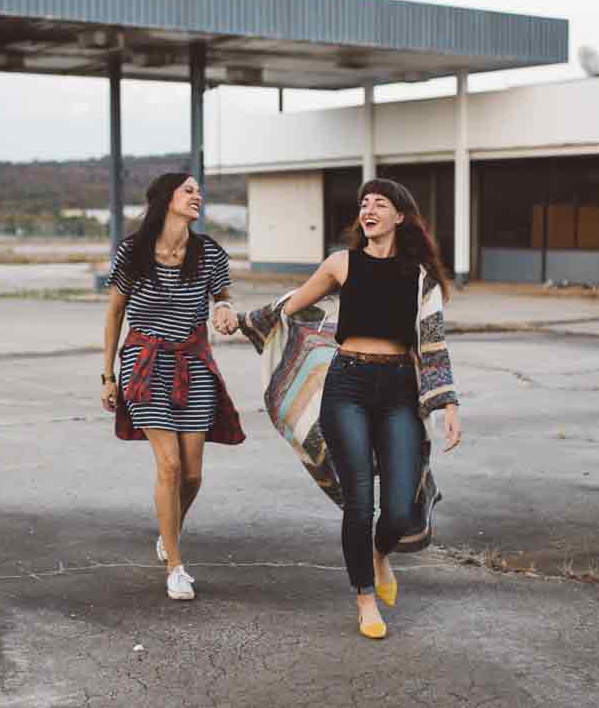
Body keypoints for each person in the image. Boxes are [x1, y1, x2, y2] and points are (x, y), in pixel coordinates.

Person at [279, 178, 462, 639]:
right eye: (364, 202)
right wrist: (245, 319)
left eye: (381, 202)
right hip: (348, 387)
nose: (370, 208)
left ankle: (381, 554)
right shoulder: (342, 263)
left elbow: (434, 345)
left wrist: (448, 405)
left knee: (398, 509)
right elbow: (291, 306)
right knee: (359, 502)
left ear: (401, 216)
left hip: (400, 389)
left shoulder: (420, 276)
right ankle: (364, 598)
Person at [101, 172, 245, 601]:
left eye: (199, 191)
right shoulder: (133, 251)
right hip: (143, 366)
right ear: (165, 198)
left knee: (193, 473)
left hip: (193, 364)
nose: (197, 195)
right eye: (188, 189)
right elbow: (113, 315)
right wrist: (108, 375)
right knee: (169, 466)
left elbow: (223, 298)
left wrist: (223, 310)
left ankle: (170, 530)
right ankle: (175, 565)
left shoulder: (209, 252)